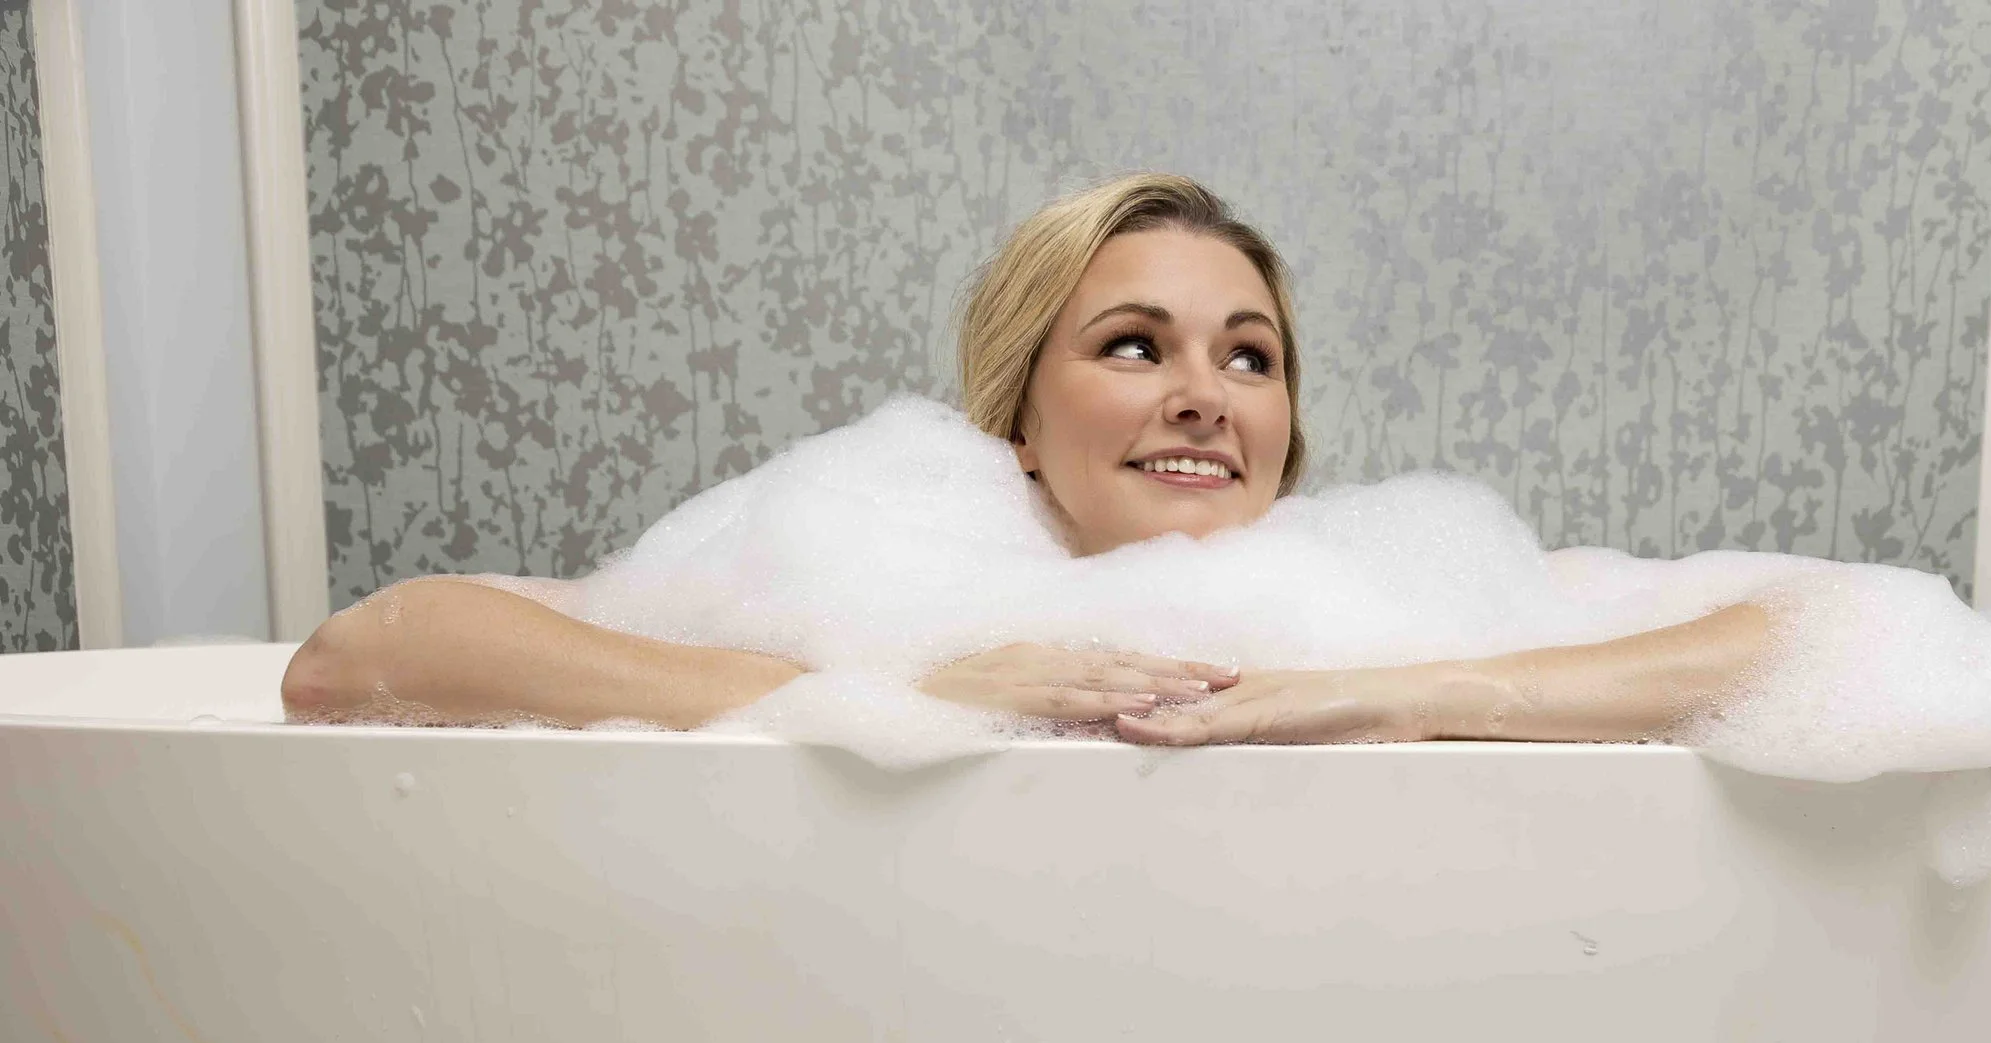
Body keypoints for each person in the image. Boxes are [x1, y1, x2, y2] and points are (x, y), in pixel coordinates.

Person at [280, 173, 1771, 745]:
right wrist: (872, 697)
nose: (1204, 394)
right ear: (1016, 415)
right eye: (1135, 345)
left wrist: (1404, 689)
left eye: (1249, 357)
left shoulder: (1391, 591)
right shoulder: (874, 572)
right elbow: (357, 656)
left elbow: (1781, 642)